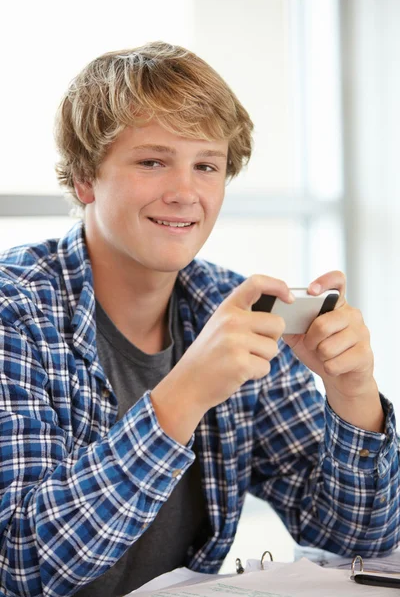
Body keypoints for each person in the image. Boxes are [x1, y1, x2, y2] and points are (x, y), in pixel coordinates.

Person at [0, 41, 398, 597]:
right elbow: (21, 563)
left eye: (206, 165)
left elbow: (360, 537)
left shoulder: (228, 305)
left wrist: (352, 395)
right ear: (86, 178)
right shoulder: (13, 311)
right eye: (152, 161)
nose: (186, 192)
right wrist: (183, 395)